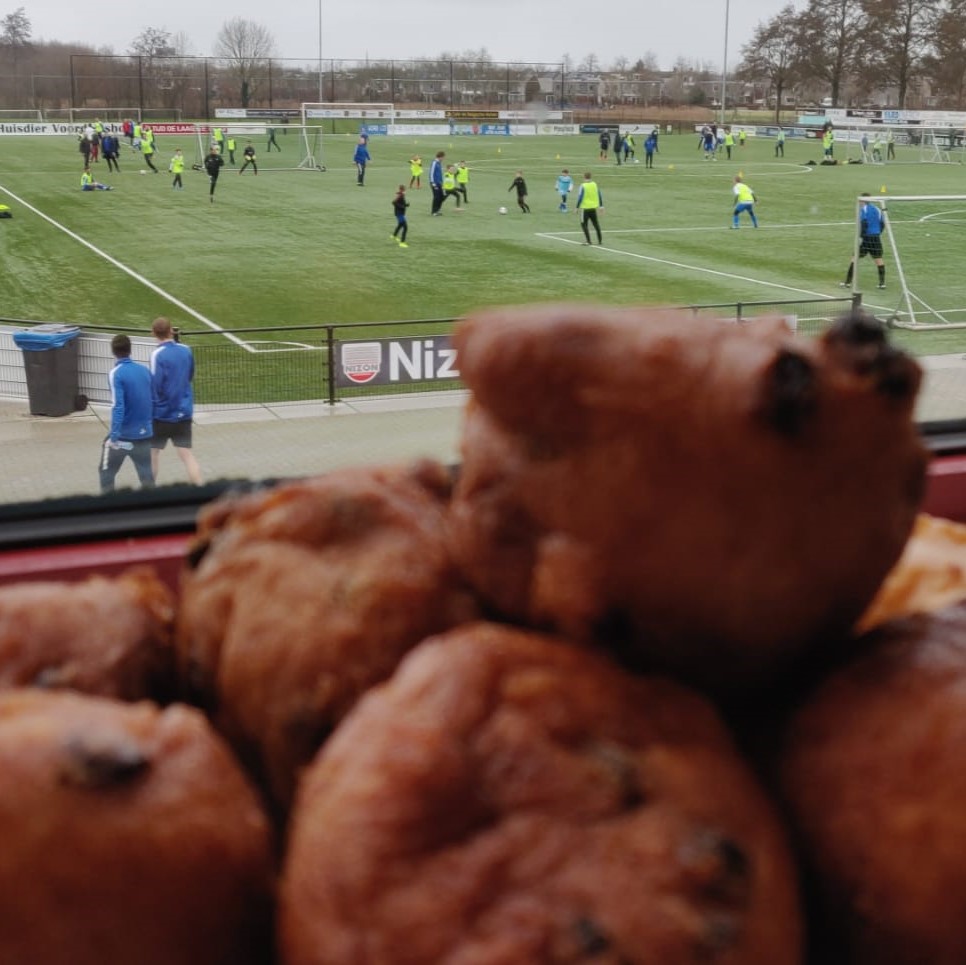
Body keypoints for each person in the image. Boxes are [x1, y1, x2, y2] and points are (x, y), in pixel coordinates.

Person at [149, 317, 203, 485]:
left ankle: (148, 493)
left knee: (152, 453)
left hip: (162, 414)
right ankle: (200, 489)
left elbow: (155, 384)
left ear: (154, 334)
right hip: (183, 410)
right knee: (186, 454)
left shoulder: (157, 354)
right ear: (171, 330)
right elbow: (190, 375)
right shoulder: (186, 350)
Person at [99, 334, 154, 494]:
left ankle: (109, 510)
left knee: (106, 473)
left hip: (124, 436)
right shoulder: (145, 371)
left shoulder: (116, 373)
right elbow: (152, 399)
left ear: (113, 351)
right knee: (146, 476)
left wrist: (114, 436)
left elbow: (118, 406)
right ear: (130, 350)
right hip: (145, 434)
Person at [841, 193, 886, 290]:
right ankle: (882, 283)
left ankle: (847, 283)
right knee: (878, 259)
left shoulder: (863, 209)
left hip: (866, 237)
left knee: (854, 258)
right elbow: (882, 223)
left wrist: (861, 236)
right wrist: (877, 233)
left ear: (862, 200)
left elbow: (864, 223)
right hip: (876, 237)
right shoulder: (878, 209)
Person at [576, 171, 603, 244]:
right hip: (593, 208)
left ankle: (588, 241)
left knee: (584, 224)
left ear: (584, 177)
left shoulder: (583, 185)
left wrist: (577, 207)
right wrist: (601, 206)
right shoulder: (594, 184)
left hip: (585, 208)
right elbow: (599, 194)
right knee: (596, 223)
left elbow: (580, 197)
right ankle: (600, 240)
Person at [429, 150, 445, 215]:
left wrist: (442, 182)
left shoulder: (439, 163)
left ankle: (437, 210)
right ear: (440, 157)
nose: (443, 159)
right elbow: (431, 173)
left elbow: (440, 174)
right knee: (436, 197)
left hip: (439, 183)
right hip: (434, 183)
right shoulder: (434, 163)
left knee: (441, 196)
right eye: (443, 157)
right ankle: (434, 211)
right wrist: (433, 183)